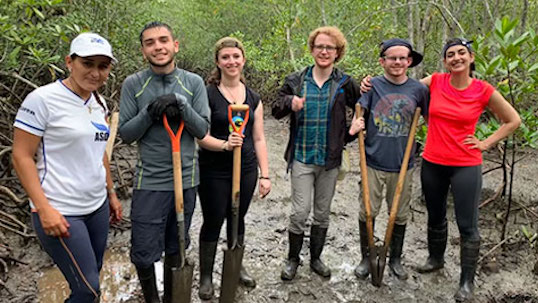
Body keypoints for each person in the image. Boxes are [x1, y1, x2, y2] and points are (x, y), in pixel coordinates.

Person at [361, 38, 521, 301]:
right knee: (435, 217)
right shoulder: (435, 81)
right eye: (450, 54)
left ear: (471, 58)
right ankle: (436, 259)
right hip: (433, 161)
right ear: (445, 61)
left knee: (467, 224)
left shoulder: (482, 89)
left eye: (461, 53)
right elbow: (402, 88)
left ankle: (467, 282)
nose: (456, 58)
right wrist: (370, 83)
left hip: (465, 165)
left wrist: (485, 143)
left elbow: (513, 120)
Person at [12, 32, 122, 302]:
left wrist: (111, 193)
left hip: (95, 207)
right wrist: (44, 208)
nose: (95, 73)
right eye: (88, 63)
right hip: (60, 209)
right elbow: (21, 156)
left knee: (91, 275)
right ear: (69, 62)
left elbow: (99, 153)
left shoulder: (99, 103)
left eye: (103, 66)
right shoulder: (42, 100)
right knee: (88, 288)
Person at [118, 22, 210, 303]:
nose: (158, 47)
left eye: (163, 40)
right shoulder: (133, 84)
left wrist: (181, 103)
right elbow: (126, 135)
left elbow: (203, 129)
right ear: (143, 50)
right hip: (151, 182)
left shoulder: (193, 83)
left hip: (187, 179)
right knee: (143, 252)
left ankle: (173, 297)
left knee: (177, 246)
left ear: (175, 45)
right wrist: (148, 111)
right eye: (150, 43)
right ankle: (152, 300)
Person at [272, 26, 360, 280]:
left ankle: (316, 258)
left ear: (337, 52)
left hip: (330, 160)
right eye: (319, 46)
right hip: (302, 157)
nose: (324, 51)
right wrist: (291, 103)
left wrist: (353, 130)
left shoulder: (345, 83)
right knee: (299, 212)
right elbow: (275, 109)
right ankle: (292, 259)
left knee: (322, 212)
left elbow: (361, 109)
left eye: (329, 47)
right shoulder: (296, 81)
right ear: (312, 50)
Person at [195, 37, 271, 300]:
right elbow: (199, 135)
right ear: (218, 62)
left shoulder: (253, 97)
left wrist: (266, 174)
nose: (231, 62)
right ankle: (206, 275)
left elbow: (259, 138)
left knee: (237, 218)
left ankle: (235, 266)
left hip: (247, 167)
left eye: (236, 57)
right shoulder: (206, 94)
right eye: (225, 57)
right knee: (214, 219)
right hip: (213, 169)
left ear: (243, 60)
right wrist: (225, 145)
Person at [348, 38, 429, 281]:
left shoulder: (419, 90)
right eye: (392, 58)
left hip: (403, 163)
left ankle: (394, 258)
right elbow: (359, 110)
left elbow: (432, 117)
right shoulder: (372, 86)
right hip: (372, 160)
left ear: (409, 61)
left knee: (400, 213)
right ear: (383, 61)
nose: (397, 62)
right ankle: (367, 256)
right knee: (368, 211)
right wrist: (356, 120)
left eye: (402, 58)